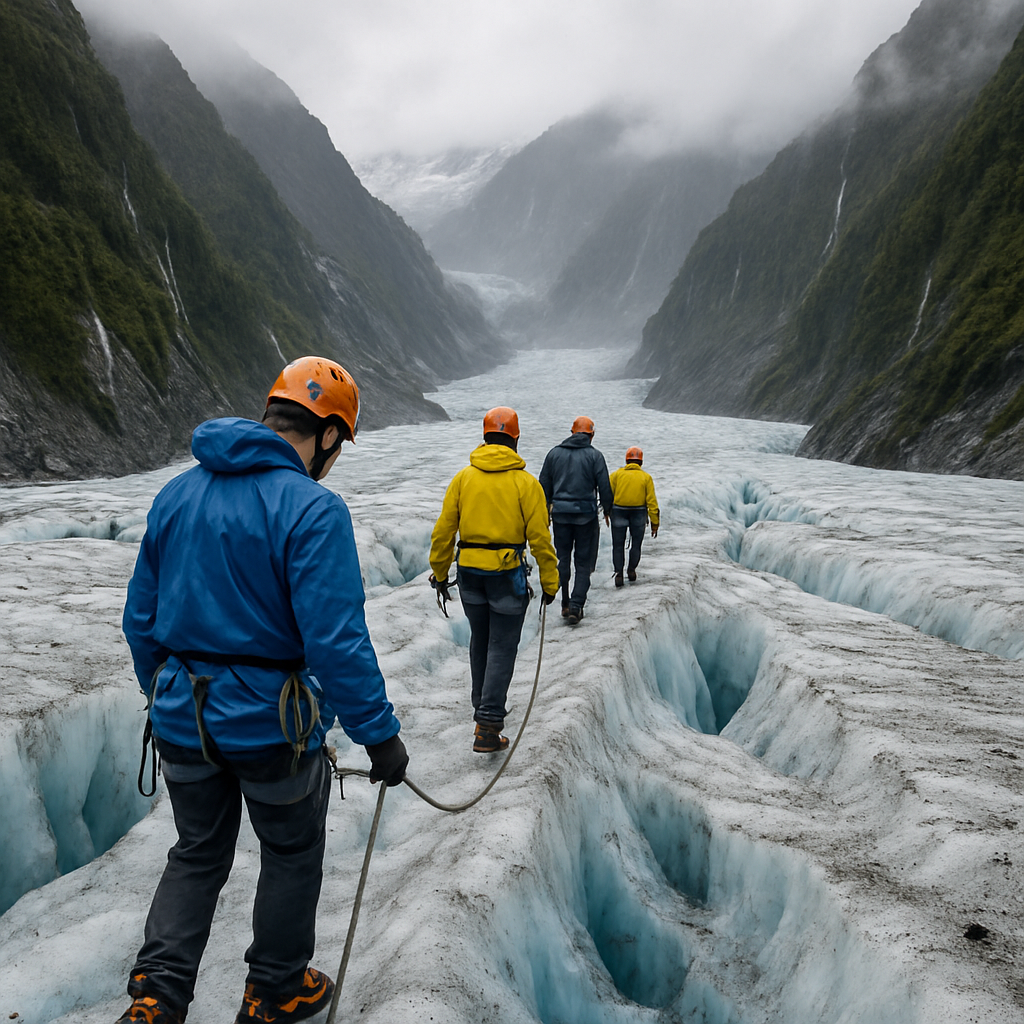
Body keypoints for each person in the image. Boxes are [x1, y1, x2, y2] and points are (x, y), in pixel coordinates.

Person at [119, 357, 408, 1024]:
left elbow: (141, 618)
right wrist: (380, 737)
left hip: (182, 715)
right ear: (329, 436)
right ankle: (274, 990)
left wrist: (164, 695)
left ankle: (156, 998)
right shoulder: (313, 509)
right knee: (290, 851)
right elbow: (335, 641)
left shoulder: (177, 494)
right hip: (271, 728)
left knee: (196, 852)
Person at [429, 406, 559, 752]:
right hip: (507, 575)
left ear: (485, 437)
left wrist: (440, 573)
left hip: (469, 573)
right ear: (515, 439)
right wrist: (550, 582)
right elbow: (540, 538)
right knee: (502, 645)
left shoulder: (463, 479)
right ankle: (488, 722)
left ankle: (482, 711)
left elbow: (443, 533)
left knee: (480, 641)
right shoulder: (526, 484)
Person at [538, 416, 612, 625]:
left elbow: (543, 485)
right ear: (591, 435)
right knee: (582, 562)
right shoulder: (595, 456)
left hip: (560, 515)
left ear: (572, 433)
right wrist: (607, 509)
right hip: (585, 517)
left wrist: (545, 510)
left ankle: (564, 602)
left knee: (562, 558)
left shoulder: (554, 454)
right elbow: (604, 485)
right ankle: (576, 606)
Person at [609, 445, 660, 586]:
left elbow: (608, 495)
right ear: (641, 462)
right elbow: (652, 503)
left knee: (618, 545)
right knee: (636, 545)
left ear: (626, 461)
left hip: (618, 511)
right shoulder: (646, 478)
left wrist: (607, 512)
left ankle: (618, 573)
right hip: (639, 513)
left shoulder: (615, 475)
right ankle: (631, 570)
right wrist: (655, 523)